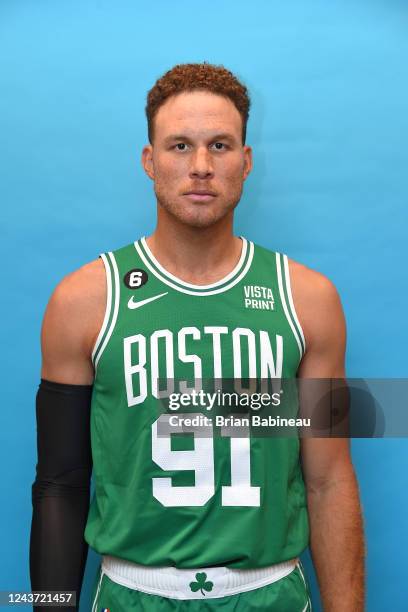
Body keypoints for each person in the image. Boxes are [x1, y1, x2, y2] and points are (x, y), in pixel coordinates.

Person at [30, 63, 364, 611]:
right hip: (132, 593)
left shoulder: (308, 299)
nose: (202, 166)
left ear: (246, 161)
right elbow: (61, 484)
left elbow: (329, 481)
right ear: (150, 160)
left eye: (221, 145)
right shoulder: (83, 300)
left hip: (271, 592)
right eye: (180, 146)